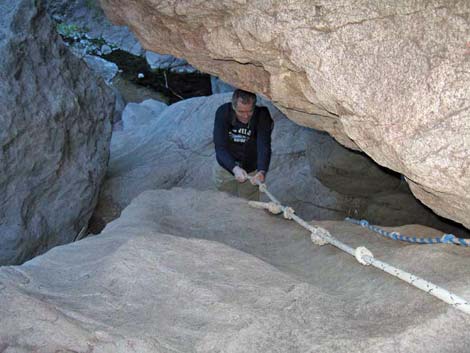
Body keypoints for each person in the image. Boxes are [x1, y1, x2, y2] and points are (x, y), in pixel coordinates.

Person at [213, 89, 273, 200]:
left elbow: (263, 144)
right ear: (233, 106)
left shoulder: (262, 115)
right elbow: (220, 146)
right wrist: (234, 168)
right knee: (223, 202)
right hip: (226, 167)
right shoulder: (223, 112)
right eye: (240, 112)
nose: (245, 116)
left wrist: (261, 170)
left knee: (250, 205)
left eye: (250, 111)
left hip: (251, 168)